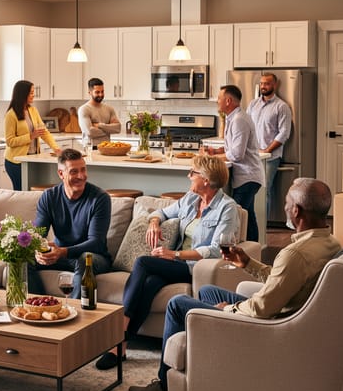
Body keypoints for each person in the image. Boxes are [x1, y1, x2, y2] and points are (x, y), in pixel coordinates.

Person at [127, 178, 340, 391]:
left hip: (271, 327)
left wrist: (229, 309)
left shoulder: (296, 253)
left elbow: (262, 308)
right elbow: (284, 280)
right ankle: (205, 362)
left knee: (178, 303)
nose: (285, 207)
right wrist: (248, 263)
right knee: (208, 292)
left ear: (296, 211)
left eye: (287, 202)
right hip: (285, 315)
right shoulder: (330, 244)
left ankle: (165, 387)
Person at [95, 155, 239, 370]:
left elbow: (215, 250)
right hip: (176, 263)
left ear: (206, 180)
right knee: (151, 283)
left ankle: (120, 331)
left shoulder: (227, 208)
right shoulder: (191, 199)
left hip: (194, 268)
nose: (188, 176)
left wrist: (174, 255)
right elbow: (161, 212)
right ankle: (121, 347)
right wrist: (154, 223)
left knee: (143, 262)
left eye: (193, 173)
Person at [30, 148, 111, 296]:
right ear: (61, 174)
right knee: (21, 259)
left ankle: (75, 312)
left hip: (95, 256)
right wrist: (38, 251)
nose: (81, 176)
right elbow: (38, 234)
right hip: (61, 255)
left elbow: (96, 242)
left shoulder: (100, 198)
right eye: (74, 171)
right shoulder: (49, 197)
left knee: (85, 259)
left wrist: (63, 252)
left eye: (83, 170)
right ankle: (41, 305)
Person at [206, 84, 264, 242]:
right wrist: (217, 151)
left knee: (235, 216)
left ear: (228, 100)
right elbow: (232, 147)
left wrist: (213, 159)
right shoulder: (234, 118)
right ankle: (253, 251)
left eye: (219, 98)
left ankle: (237, 254)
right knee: (248, 217)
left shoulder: (239, 120)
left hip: (248, 177)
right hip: (247, 177)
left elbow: (237, 154)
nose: (217, 101)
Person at [247, 72, 292, 219]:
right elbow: (246, 126)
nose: (263, 86)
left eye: (266, 83)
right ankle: (253, 224)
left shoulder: (281, 106)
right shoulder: (253, 104)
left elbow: (284, 133)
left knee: (264, 191)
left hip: (271, 157)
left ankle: (263, 227)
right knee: (251, 190)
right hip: (252, 156)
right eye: (261, 83)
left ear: (275, 85)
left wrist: (267, 150)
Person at [3, 80, 61, 191]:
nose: (33, 95)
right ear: (22, 94)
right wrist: (30, 136)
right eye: (31, 92)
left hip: (32, 159)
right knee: (21, 192)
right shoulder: (11, 114)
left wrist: (56, 148)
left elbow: (44, 132)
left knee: (31, 192)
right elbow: (10, 141)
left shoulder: (33, 110)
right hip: (16, 161)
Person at [78, 77, 121, 148]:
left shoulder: (109, 108)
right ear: (90, 92)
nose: (101, 95)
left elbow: (118, 128)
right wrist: (109, 130)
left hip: (107, 147)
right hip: (91, 147)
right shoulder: (84, 109)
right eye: (97, 92)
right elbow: (90, 132)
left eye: (102, 91)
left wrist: (99, 125)